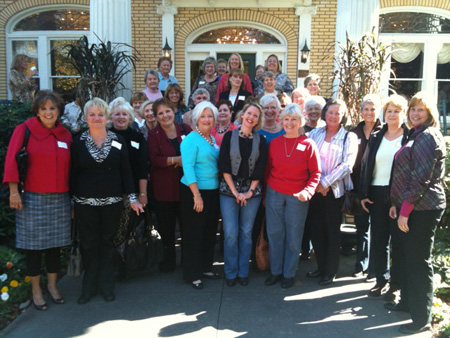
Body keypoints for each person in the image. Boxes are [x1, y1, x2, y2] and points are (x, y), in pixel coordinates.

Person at [3, 90, 72, 310]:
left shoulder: (66, 135)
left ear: (59, 110)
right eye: (43, 109)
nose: (48, 112)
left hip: (60, 198)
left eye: (52, 108)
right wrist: (14, 191)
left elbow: (72, 170)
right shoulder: (24, 131)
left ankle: (52, 286)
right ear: (37, 110)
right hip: (31, 198)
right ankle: (35, 290)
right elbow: (12, 161)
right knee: (33, 247)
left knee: (54, 245)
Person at [71, 98, 144, 304]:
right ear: (86, 117)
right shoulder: (78, 141)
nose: (96, 118)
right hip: (84, 203)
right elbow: (73, 173)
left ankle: (106, 285)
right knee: (89, 244)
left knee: (108, 244)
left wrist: (132, 197)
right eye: (92, 114)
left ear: (107, 117)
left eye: (100, 114)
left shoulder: (117, 140)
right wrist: (71, 203)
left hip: (112, 203)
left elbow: (126, 171)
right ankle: (88, 286)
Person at [386, 92, 446, 334]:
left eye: (420, 109)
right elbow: (404, 174)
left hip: (423, 208)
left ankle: (421, 319)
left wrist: (405, 211)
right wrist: (396, 204)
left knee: (420, 262)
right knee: (410, 258)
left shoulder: (427, 136)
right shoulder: (416, 134)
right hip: (411, 207)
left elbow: (421, 178)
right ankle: (409, 304)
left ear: (430, 112)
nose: (415, 113)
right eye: (412, 109)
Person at [264, 103, 321, 288]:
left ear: (300, 121)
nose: (289, 123)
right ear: (281, 121)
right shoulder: (274, 143)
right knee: (274, 234)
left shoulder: (308, 144)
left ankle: (288, 274)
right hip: (274, 193)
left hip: (298, 196)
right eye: (286, 119)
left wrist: (308, 191)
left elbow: (316, 173)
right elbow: (267, 170)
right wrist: (265, 194)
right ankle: (276, 272)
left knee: (294, 236)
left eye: (293, 119)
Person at [360, 94, 408, 299]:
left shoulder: (409, 136)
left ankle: (395, 285)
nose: (392, 115)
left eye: (396, 111)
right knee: (378, 239)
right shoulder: (377, 135)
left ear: (403, 113)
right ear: (384, 113)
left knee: (397, 241)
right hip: (376, 193)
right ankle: (380, 280)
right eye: (389, 111)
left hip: (398, 194)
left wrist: (401, 200)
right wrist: (363, 193)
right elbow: (366, 164)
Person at [307, 99, 358, 285]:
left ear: (343, 116)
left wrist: (325, 182)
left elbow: (347, 165)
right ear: (325, 113)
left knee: (331, 232)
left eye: (338, 113)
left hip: (334, 192)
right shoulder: (314, 133)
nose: (334, 116)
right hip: (314, 191)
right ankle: (320, 267)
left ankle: (330, 271)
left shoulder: (348, 137)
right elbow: (306, 158)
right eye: (330, 112)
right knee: (316, 231)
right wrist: (316, 184)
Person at [219, 103, 268, 287]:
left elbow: (261, 168)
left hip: (252, 193)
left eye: (256, 115)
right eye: (249, 113)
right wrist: (235, 192)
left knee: (246, 233)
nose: (251, 117)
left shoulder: (261, 140)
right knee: (230, 233)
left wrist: (249, 192)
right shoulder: (228, 136)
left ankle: (243, 271)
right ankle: (230, 272)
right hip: (228, 191)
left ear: (258, 120)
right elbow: (223, 165)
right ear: (242, 115)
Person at [180, 101, 220, 289]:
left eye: (209, 116)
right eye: (203, 116)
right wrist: (196, 195)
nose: (206, 119)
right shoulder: (190, 139)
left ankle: (205, 268)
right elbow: (187, 168)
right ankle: (192, 273)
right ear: (196, 119)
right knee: (194, 233)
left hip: (212, 191)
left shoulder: (212, 139)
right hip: (194, 192)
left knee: (209, 231)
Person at [148, 98, 192, 272]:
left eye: (167, 111)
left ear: (173, 111)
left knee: (187, 226)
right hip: (164, 188)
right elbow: (154, 159)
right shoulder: (154, 135)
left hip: (186, 187)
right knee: (166, 228)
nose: (165, 115)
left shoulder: (185, 129)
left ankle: (187, 261)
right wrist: (175, 160)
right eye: (160, 113)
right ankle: (168, 262)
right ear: (156, 117)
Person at [108, 97, 149, 258]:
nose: (121, 117)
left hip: (131, 192)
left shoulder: (137, 137)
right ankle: (112, 264)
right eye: (117, 114)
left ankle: (125, 265)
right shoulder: (106, 137)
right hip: (110, 191)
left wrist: (143, 193)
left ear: (130, 117)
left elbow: (142, 168)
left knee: (127, 230)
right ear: (111, 117)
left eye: (124, 114)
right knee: (111, 229)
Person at [350, 94, 383, 280]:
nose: (369, 112)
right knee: (361, 227)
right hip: (359, 186)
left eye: (372, 109)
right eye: (366, 109)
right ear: (361, 111)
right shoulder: (354, 132)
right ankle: (360, 264)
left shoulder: (385, 131)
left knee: (377, 228)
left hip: (378, 186)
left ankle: (373, 268)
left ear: (377, 111)